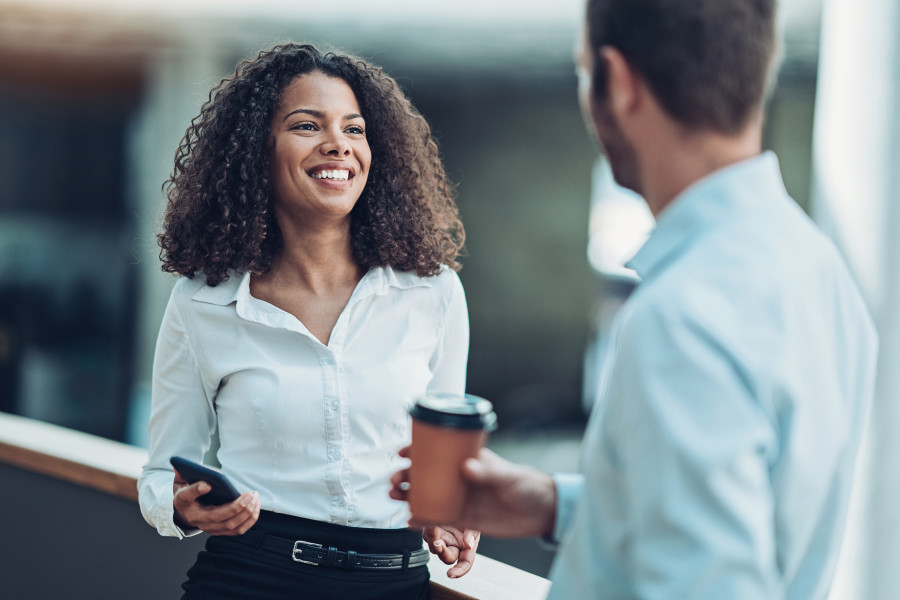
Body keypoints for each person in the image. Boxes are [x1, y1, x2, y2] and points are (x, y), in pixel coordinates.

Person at [391, 1, 879, 598]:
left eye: (582, 70)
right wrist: (556, 505)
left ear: (617, 82)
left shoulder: (683, 315)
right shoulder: (818, 267)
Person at [138, 43, 480, 600]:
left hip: (393, 585)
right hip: (249, 579)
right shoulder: (203, 303)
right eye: (306, 125)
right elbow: (158, 475)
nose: (338, 144)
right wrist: (182, 508)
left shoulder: (432, 292)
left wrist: (448, 514)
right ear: (257, 151)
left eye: (355, 128)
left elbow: (439, 468)